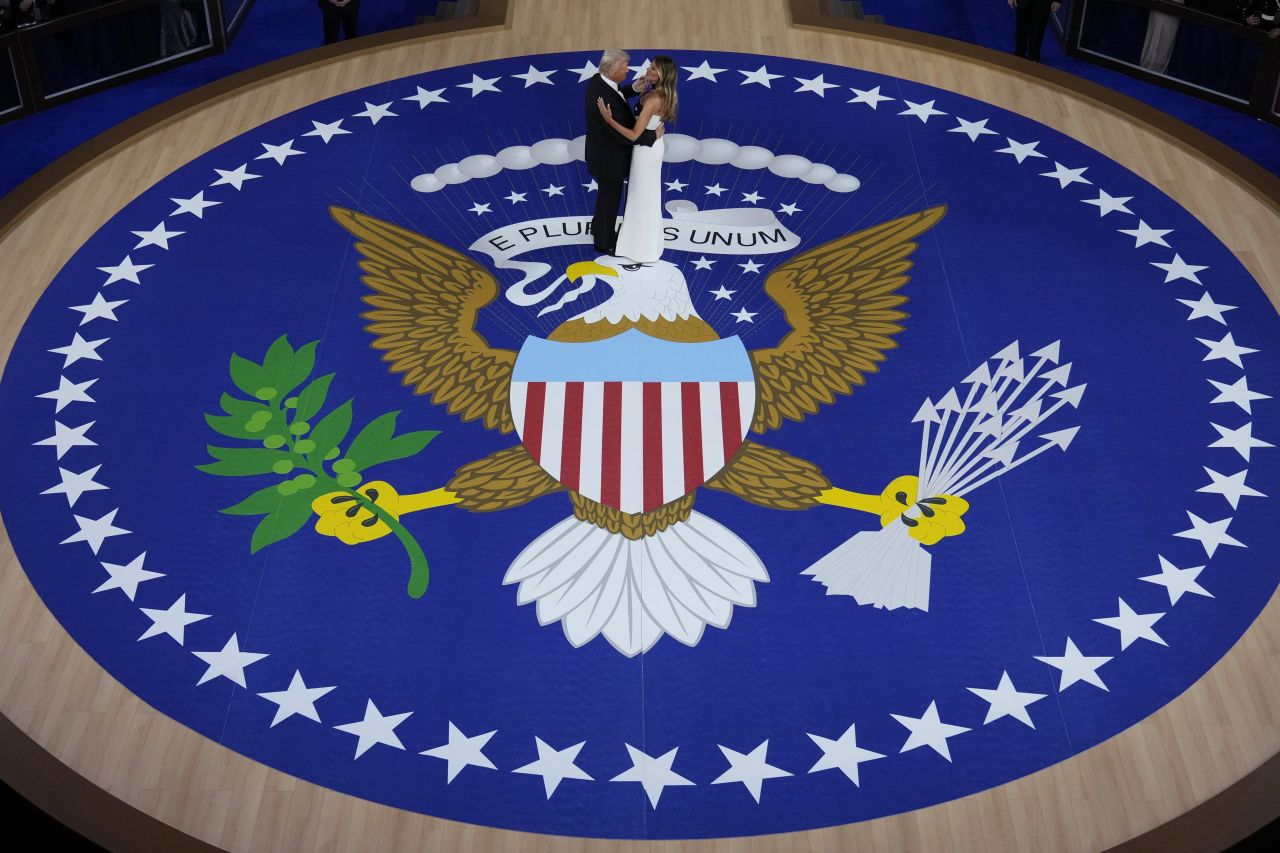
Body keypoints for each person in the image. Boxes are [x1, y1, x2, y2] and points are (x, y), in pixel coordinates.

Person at [596, 56, 678, 264]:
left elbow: (633, 135)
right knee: (643, 195)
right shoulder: (659, 94)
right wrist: (639, 90)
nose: (647, 70)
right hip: (650, 147)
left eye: (652, 69)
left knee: (641, 196)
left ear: (660, 75)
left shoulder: (653, 100)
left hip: (644, 152)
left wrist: (609, 119)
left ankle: (639, 248)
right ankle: (641, 244)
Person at [583, 49, 657, 256]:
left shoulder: (599, 81)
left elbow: (617, 95)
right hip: (610, 159)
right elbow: (625, 134)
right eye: (624, 67)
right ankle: (604, 242)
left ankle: (599, 228)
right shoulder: (602, 97)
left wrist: (633, 88)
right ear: (611, 70)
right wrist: (653, 136)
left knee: (606, 197)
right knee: (610, 199)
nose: (628, 70)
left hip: (602, 154)